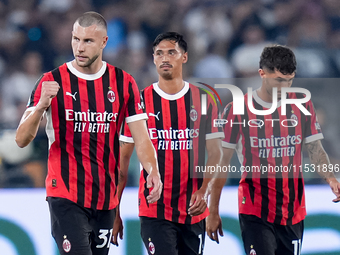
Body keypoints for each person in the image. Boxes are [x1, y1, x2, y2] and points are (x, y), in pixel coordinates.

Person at [15, 11, 162, 255]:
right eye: (75, 39)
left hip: (105, 197)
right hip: (65, 193)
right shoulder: (51, 80)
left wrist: (153, 170)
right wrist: (41, 105)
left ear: (104, 42)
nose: (79, 47)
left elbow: (142, 137)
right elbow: (21, 139)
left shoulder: (124, 83)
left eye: (87, 41)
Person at [206, 45, 340, 255]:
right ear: (262, 74)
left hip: (293, 210)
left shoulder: (302, 105)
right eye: (278, 80)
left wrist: (330, 178)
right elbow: (222, 164)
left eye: (289, 80)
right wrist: (212, 210)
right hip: (255, 208)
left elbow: (315, 148)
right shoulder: (238, 109)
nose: (284, 86)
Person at [113, 32, 224, 255]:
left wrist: (204, 190)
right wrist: (114, 210)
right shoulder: (139, 102)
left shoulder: (202, 100)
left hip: (193, 209)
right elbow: (122, 159)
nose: (165, 58)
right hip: (155, 210)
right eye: (159, 53)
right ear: (153, 59)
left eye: (171, 52)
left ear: (184, 57)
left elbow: (215, 154)